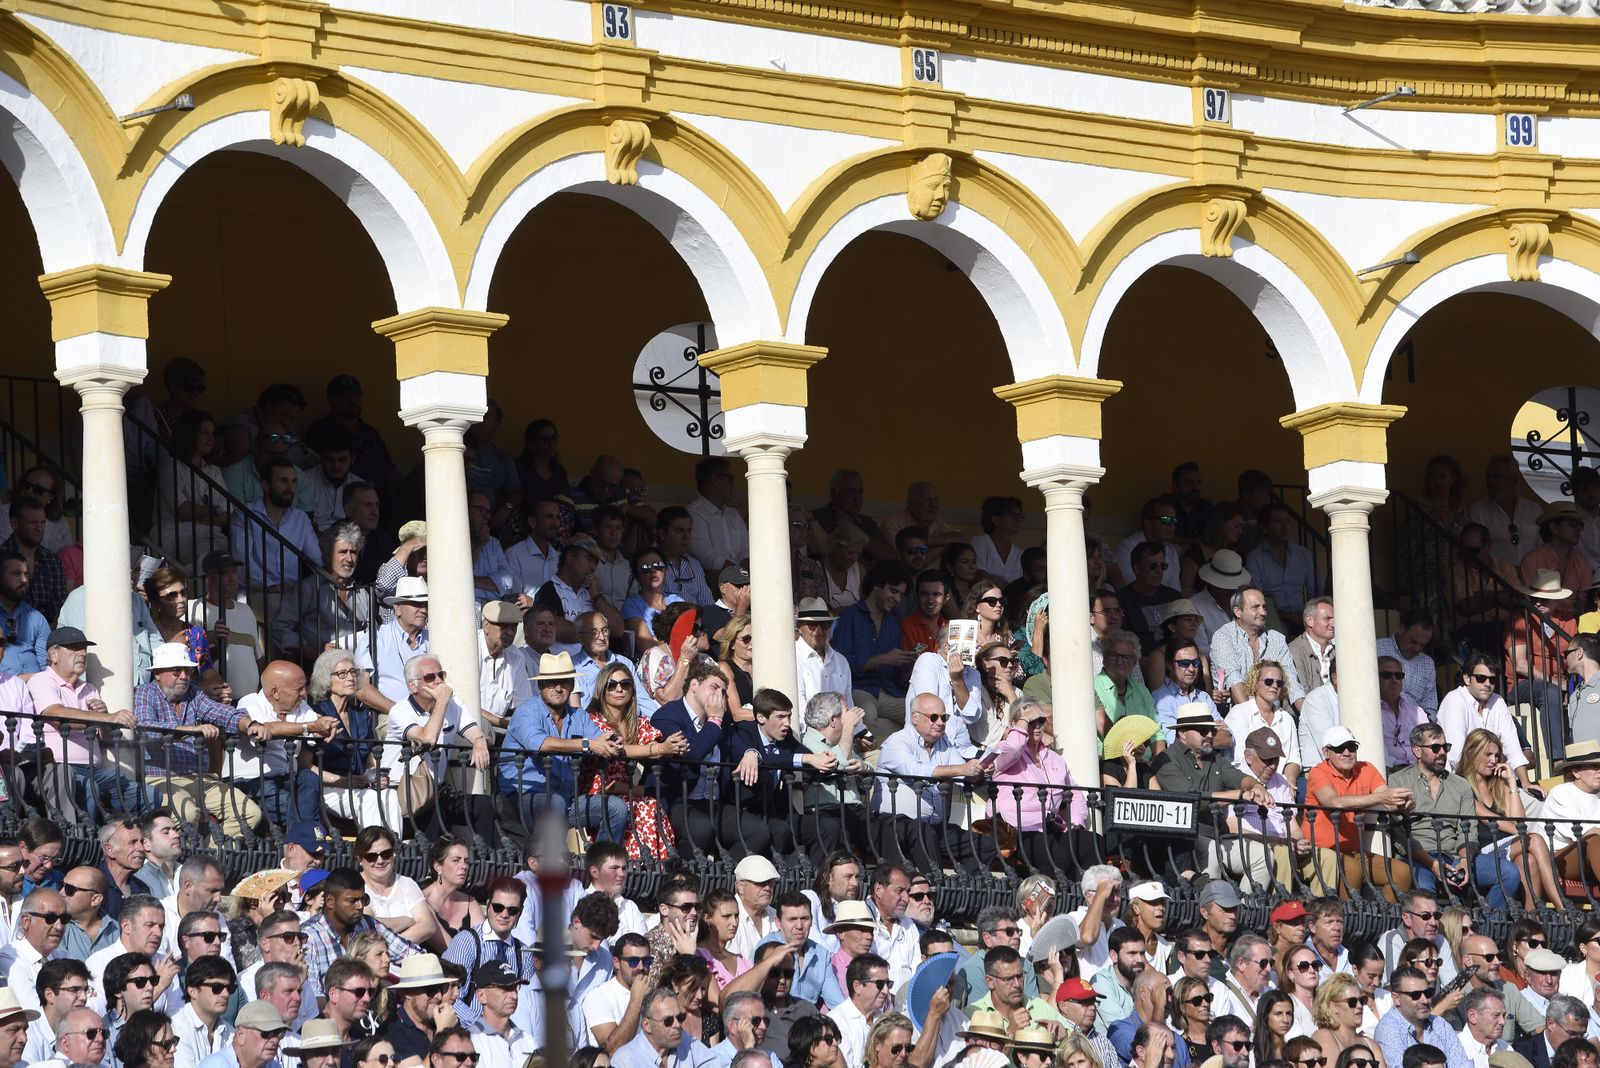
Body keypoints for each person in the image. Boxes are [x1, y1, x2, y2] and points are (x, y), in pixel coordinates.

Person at [576, 659, 684, 859]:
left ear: (632, 691)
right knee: (633, 807)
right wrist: (658, 747)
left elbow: (657, 746)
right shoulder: (592, 720)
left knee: (651, 805)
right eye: (612, 685)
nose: (619, 689)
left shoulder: (639, 722)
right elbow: (616, 749)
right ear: (602, 690)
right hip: (597, 789)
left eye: (625, 684)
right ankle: (629, 862)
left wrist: (674, 745)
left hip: (624, 790)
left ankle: (653, 865)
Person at [1303, 725, 1414, 899]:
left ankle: (1386, 920)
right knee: (1352, 868)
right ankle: (1348, 918)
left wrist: (1402, 804)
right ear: (1326, 752)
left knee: (1402, 872)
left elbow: (1387, 800)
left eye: (1352, 747)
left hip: (1355, 852)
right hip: (1322, 852)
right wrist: (1382, 798)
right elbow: (1334, 802)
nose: (1347, 752)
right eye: (1340, 748)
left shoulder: (1366, 769)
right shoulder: (1318, 772)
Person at [1457, 728, 1559, 908]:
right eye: (1488, 754)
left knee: (1529, 860)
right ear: (1471, 752)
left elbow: (1518, 821)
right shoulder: (1461, 784)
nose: (1493, 761)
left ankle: (1531, 917)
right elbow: (1493, 820)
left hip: (1510, 846)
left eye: (1497, 756)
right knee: (1534, 839)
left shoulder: (1498, 783)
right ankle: (1561, 906)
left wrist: (1512, 782)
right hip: (1483, 852)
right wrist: (1521, 833)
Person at [1438, 653, 1542, 797]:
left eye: (1492, 680)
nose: (1487, 684)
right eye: (1481, 678)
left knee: (1537, 803)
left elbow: (1512, 746)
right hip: (1462, 784)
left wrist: (1526, 783)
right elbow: (1457, 755)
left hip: (1495, 782)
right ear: (1467, 679)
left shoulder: (1498, 701)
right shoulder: (1454, 700)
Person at [831, 562, 914, 739]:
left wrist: (908, 666)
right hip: (859, 689)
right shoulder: (850, 616)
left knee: (924, 714)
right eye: (893, 591)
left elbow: (897, 677)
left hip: (889, 691)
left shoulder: (893, 624)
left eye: (901, 594)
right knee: (865, 713)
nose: (898, 599)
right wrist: (883, 659)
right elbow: (840, 664)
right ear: (876, 585)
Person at [1211, 586, 1305, 711]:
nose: (1263, 612)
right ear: (1238, 611)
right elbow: (1235, 681)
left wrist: (1307, 716)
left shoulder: (1276, 639)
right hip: (1239, 716)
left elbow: (1291, 682)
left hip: (1274, 714)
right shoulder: (1224, 637)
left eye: (1264, 606)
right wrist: (1256, 720)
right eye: (1255, 607)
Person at [1225, 659, 1304, 788]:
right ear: (1256, 684)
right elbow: (1242, 757)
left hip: (1279, 783)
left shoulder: (1287, 718)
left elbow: (1293, 759)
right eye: (1268, 681)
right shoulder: (1239, 713)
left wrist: (1290, 781)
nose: (1274, 686)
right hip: (1246, 781)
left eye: (1279, 683)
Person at [1246, 503, 1321, 630]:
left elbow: (1317, 591)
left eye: (1287, 521)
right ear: (1264, 528)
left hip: (1303, 618)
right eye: (1278, 522)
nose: (1285, 526)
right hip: (1271, 620)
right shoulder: (1255, 558)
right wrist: (1290, 616)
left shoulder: (1303, 554)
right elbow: (1255, 601)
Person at [612, 986, 717, 1068]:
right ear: (646, 1025)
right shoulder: (625, 1061)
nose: (677, 1025)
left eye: (680, 1017)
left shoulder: (686, 1041)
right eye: (668, 1021)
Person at [828, 953, 893, 1068]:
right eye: (880, 984)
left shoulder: (884, 1019)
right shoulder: (836, 1023)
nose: (886, 991)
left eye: (888, 984)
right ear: (857, 986)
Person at [1456, 988, 1508, 1068]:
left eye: (1503, 1015)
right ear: (1472, 1016)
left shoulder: (1506, 1048)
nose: (1503, 1021)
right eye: (1496, 1015)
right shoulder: (1455, 1049)